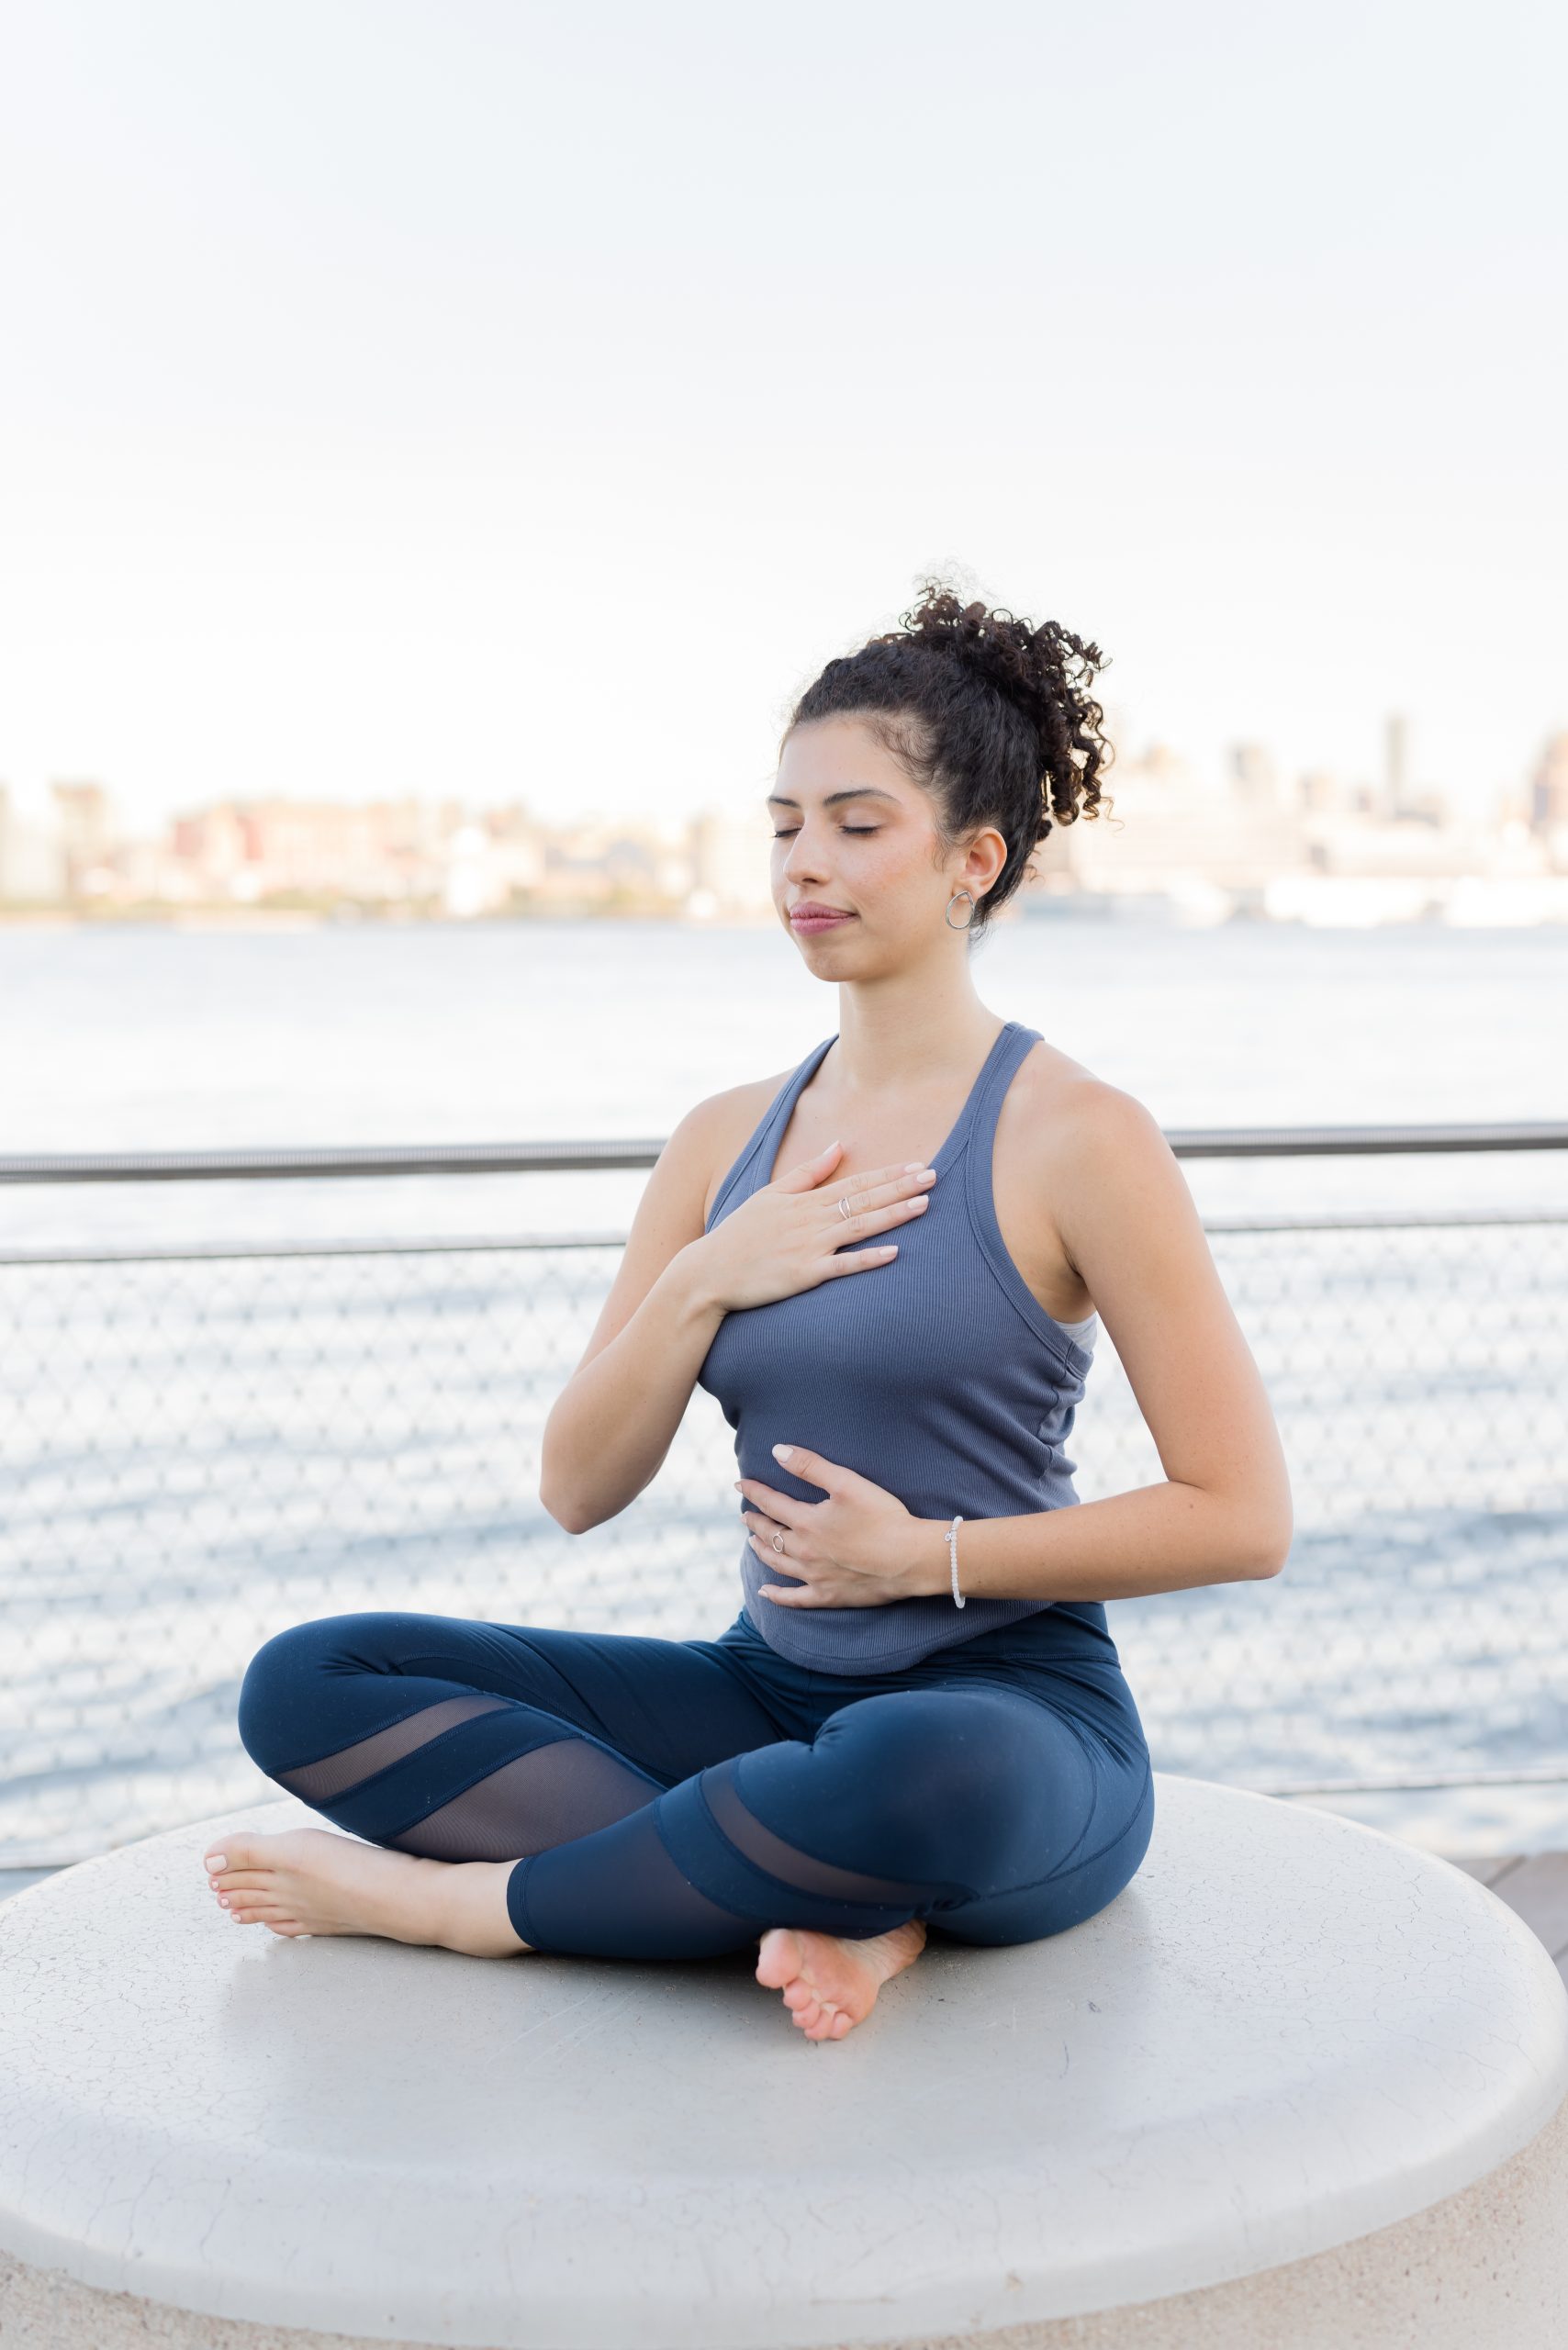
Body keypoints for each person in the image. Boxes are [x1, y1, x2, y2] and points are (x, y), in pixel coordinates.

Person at [204, 579, 1293, 2042]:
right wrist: (706, 1278)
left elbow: (1242, 1514)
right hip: (766, 1692)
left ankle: (475, 1909)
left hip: (1009, 1722)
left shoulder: (1079, 1134)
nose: (803, 864)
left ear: (976, 859)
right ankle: (844, 1902)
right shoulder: (723, 1140)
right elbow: (578, 1487)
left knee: (917, 1772)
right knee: (312, 1680)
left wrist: (928, 1557)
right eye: (782, 825)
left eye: (856, 824)